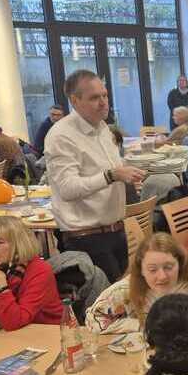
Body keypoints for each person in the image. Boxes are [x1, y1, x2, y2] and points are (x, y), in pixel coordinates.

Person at [46, 70, 146, 283]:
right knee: (106, 308)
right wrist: (112, 175)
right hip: (86, 237)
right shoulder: (61, 135)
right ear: (75, 100)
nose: (103, 102)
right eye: (94, 98)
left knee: (124, 300)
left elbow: (108, 173)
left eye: (105, 95)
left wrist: (126, 175)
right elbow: (67, 188)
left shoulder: (102, 127)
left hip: (116, 229)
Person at [87, 232, 188, 347]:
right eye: (152, 269)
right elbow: (94, 319)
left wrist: (177, 333)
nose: (162, 276)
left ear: (180, 264)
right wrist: (140, 327)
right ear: (141, 270)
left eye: (169, 267)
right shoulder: (125, 290)